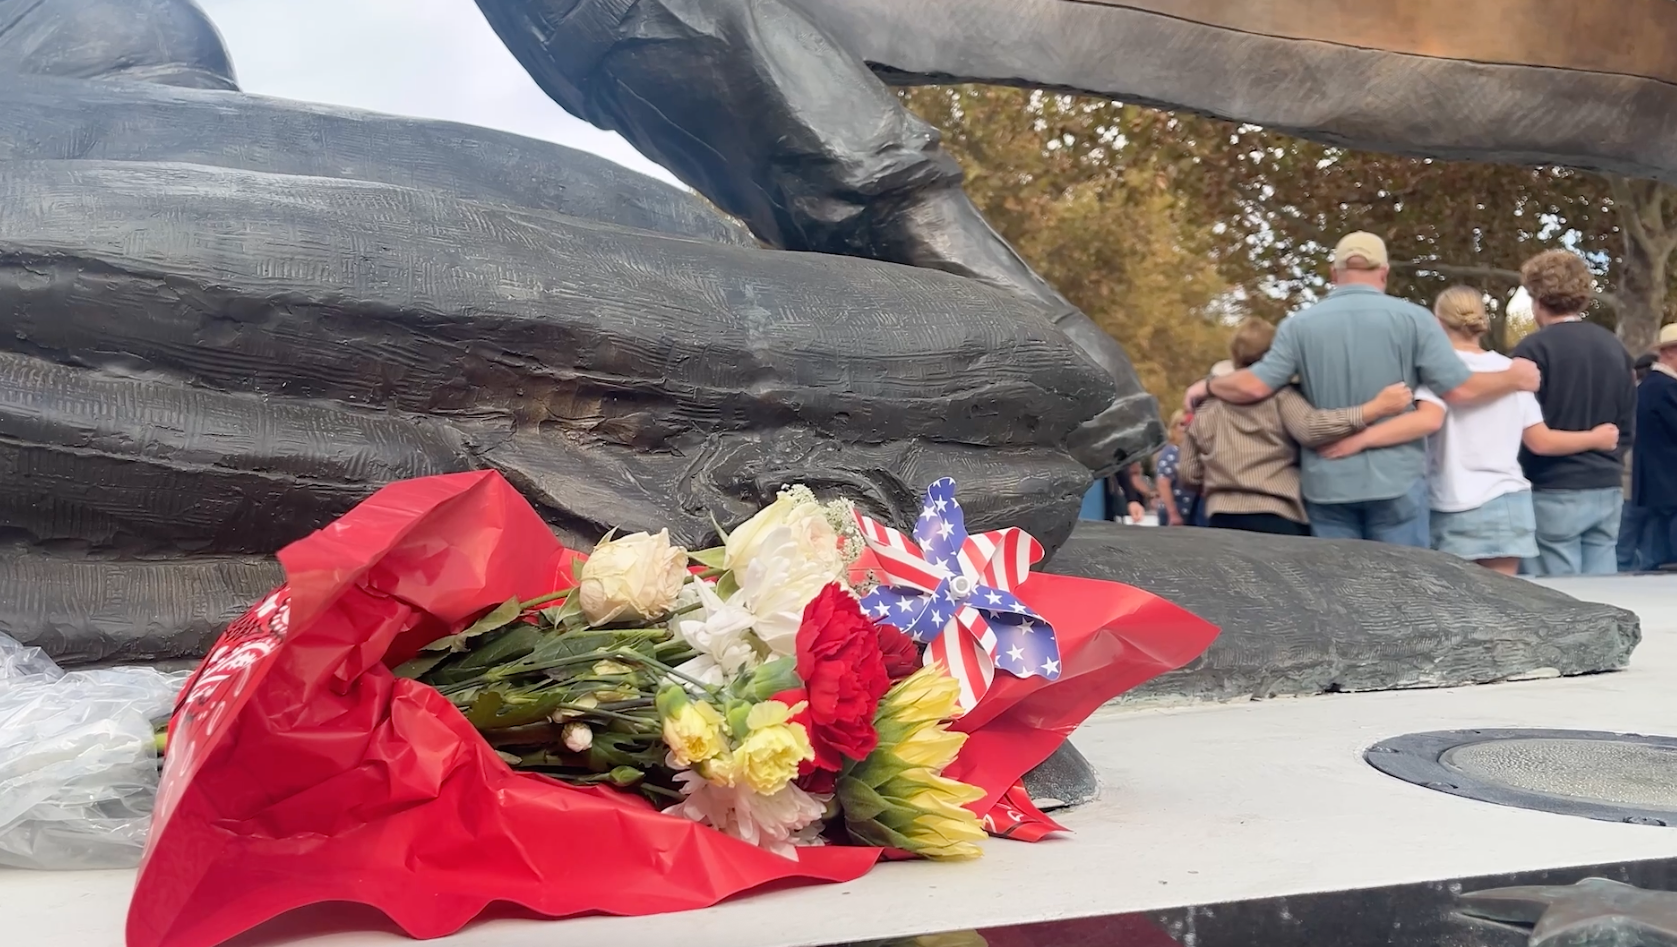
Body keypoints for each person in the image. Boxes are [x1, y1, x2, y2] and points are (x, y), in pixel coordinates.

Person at [1195, 232, 1540, 546]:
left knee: (1340, 596)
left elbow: (1255, 386)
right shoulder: (1414, 320)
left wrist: (1207, 386)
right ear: (1384, 272)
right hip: (1397, 481)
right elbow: (1460, 391)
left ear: (1334, 273)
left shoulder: (1298, 326)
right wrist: (1514, 378)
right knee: (1403, 592)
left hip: (1327, 482)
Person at [1322, 287, 1618, 575]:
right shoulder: (1514, 372)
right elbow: (1540, 441)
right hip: (1510, 500)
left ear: (1437, 324)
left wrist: (1360, 440)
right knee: (1509, 611)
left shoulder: (1436, 372)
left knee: (1457, 613)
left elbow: (1428, 421)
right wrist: (1596, 437)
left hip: (1454, 502)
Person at [1178, 319, 1415, 536]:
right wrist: (1372, 409)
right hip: (1278, 512)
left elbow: (1188, 472)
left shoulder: (1206, 409)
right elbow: (1311, 428)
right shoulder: (1281, 397)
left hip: (1221, 516)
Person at [1511, 250, 1637, 575]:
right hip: (1606, 484)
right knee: (1604, 595)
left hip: (1553, 485)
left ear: (1537, 298)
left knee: (1559, 603)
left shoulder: (1532, 350)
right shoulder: (1615, 348)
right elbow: (1626, 424)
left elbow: (1519, 428)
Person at [1628, 324, 1677, 569]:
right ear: (1669, 352)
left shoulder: (1652, 386)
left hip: (1660, 489)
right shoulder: (1664, 388)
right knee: (1664, 562)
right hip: (1668, 490)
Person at [1617, 351, 1659, 570]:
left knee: (1622, 550)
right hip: (1653, 487)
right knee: (1649, 551)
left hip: (1626, 484)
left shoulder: (1625, 400)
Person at [1154, 411, 1200, 526]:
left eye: (1189, 424)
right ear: (1173, 428)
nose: (1186, 428)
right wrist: (1173, 514)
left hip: (1191, 512)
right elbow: (1163, 483)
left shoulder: (1191, 452)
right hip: (1174, 514)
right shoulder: (1170, 452)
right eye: (1182, 424)